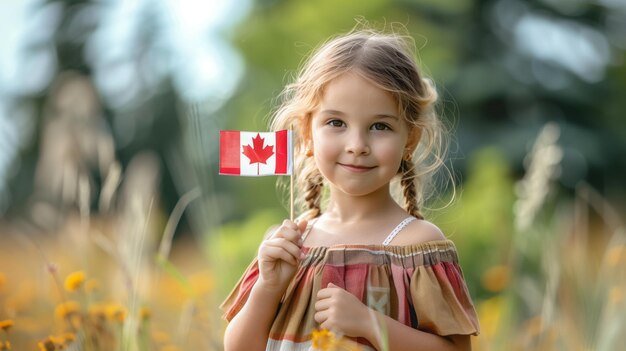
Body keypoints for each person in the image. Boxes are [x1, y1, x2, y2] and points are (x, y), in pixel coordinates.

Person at [221, 27, 480, 351]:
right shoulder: (287, 244)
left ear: (409, 139)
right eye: (336, 123)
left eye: (380, 126)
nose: (357, 145)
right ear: (307, 133)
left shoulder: (418, 246)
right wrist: (268, 288)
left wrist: (370, 323)